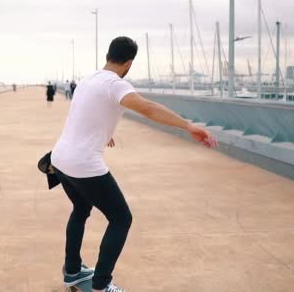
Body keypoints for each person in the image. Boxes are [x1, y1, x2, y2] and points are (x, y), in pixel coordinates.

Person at [51, 36, 218, 292]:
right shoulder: (116, 85)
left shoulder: (88, 80)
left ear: (108, 55)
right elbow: (149, 108)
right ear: (129, 63)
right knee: (121, 218)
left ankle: (72, 272)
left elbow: (87, 112)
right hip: (84, 163)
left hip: (60, 158)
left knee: (81, 209)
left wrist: (104, 132)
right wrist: (188, 126)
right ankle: (101, 285)